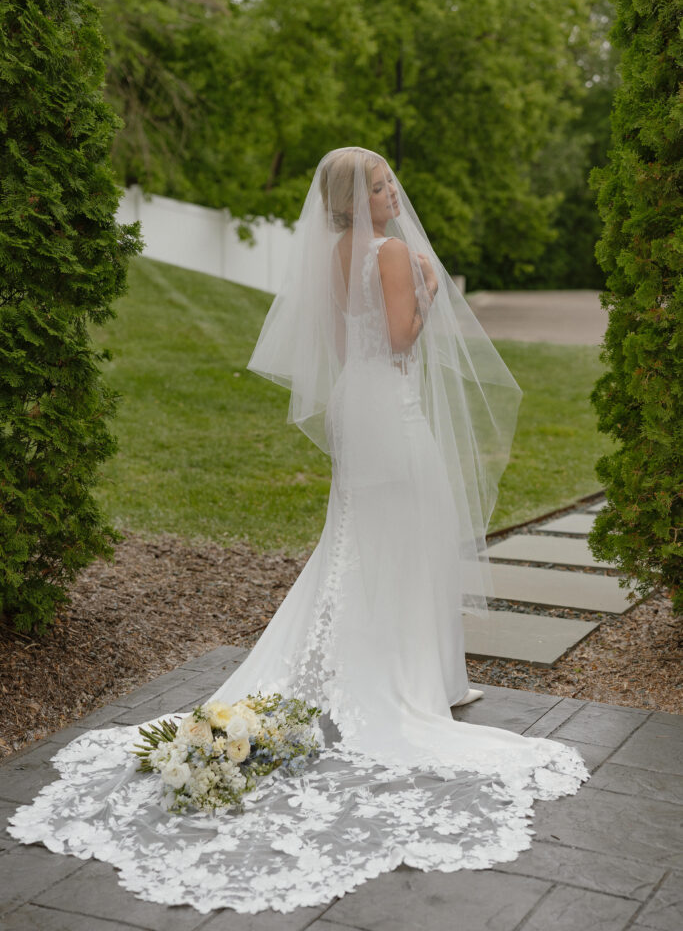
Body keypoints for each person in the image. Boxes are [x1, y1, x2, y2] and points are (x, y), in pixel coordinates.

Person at [8, 148, 588, 915]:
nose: (391, 192)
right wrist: (428, 285)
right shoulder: (384, 252)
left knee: (363, 537)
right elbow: (404, 339)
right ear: (358, 197)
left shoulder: (336, 252)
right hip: (389, 406)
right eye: (380, 184)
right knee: (401, 535)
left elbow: (350, 346)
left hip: (361, 402)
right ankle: (408, 677)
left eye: (387, 182)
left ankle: (403, 667)